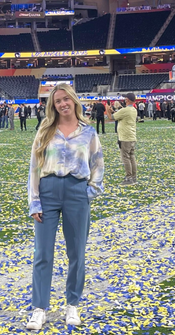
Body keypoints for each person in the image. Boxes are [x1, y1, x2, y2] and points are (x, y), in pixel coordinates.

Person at [26, 83, 104, 331]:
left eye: (66, 99)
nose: (62, 104)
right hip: (47, 193)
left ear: (74, 101)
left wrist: (89, 192)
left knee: (77, 253)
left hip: (76, 193)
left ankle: (72, 304)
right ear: (53, 105)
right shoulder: (44, 131)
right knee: (42, 254)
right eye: (57, 101)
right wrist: (34, 201)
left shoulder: (89, 132)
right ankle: (39, 309)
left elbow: (97, 164)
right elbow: (34, 168)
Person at [113, 93, 138, 186]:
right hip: (131, 136)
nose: (124, 99)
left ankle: (128, 177)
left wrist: (108, 109)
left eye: (125, 98)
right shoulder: (133, 109)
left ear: (127, 99)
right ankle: (133, 177)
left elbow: (112, 117)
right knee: (132, 157)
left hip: (125, 137)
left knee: (126, 158)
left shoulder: (125, 110)